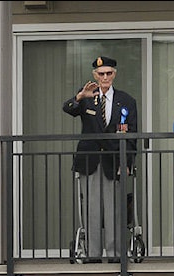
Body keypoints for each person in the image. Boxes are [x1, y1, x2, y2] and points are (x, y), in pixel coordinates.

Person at [63, 55, 138, 263]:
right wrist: (79, 97)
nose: (105, 77)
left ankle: (114, 254)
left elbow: (132, 135)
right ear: (94, 75)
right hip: (89, 161)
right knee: (91, 209)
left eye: (109, 73)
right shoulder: (87, 95)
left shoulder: (127, 100)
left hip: (114, 161)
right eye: (101, 74)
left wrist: (128, 162)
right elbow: (67, 109)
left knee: (114, 209)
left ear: (114, 74)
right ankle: (93, 254)